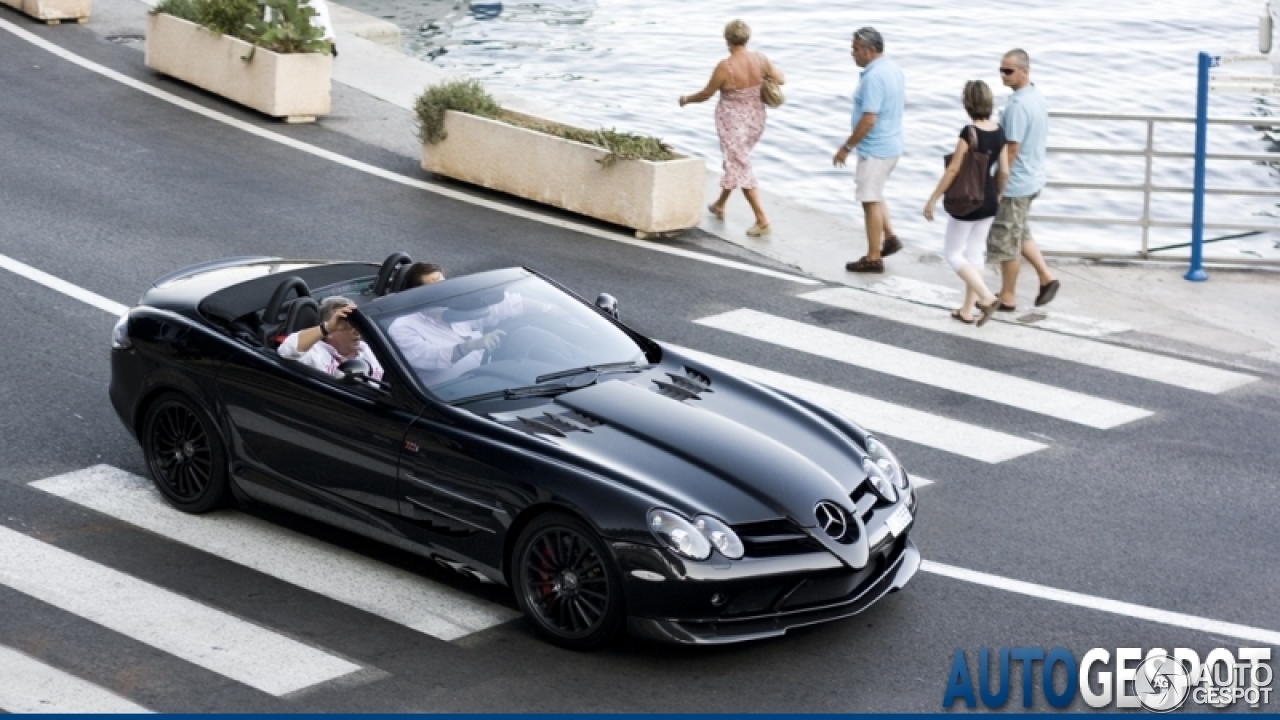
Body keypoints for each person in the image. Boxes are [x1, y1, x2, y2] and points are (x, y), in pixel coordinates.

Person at [679, 19, 784, 237]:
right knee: (738, 161)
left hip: (732, 123)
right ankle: (719, 204)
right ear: (747, 38)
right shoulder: (760, 59)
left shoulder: (725, 66)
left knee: (740, 165)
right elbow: (781, 79)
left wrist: (687, 99)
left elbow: (706, 94)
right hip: (756, 120)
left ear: (727, 40)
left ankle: (762, 219)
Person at [923, 80, 1007, 327]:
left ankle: (987, 297)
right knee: (974, 253)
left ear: (968, 102)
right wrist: (998, 194)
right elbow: (1003, 171)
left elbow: (953, 170)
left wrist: (933, 198)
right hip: (990, 199)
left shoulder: (968, 133)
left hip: (969, 201)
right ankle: (967, 310)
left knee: (953, 253)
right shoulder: (1000, 131)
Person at [989, 48, 1060, 310]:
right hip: (1033, 176)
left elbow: (1011, 148)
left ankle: (1007, 296)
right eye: (1001, 70)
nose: (1003, 76)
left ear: (1024, 71)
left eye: (1008, 71)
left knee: (1007, 240)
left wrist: (998, 181)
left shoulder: (1017, 106)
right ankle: (1046, 277)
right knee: (1019, 231)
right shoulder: (1036, 97)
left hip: (1016, 182)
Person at [833, 27, 905, 274]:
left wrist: (846, 147)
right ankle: (890, 237)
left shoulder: (873, 77)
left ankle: (874, 257)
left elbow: (868, 119)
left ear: (870, 50)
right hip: (892, 144)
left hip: (876, 148)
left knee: (869, 200)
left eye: (855, 49)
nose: (852, 53)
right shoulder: (892, 69)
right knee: (876, 193)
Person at [277, 296, 384, 379]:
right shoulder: (317, 353)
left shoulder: (368, 348)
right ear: (330, 331)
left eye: (356, 324)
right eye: (347, 325)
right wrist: (327, 327)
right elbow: (287, 351)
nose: (356, 331)